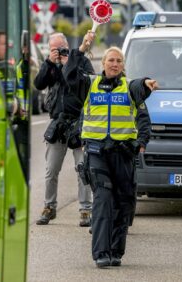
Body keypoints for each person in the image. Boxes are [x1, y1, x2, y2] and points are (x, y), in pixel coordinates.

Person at [65, 31, 155, 268]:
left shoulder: (129, 87)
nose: (114, 64)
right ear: (102, 63)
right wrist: (83, 47)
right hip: (96, 153)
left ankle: (116, 251)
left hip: (123, 154)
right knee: (103, 200)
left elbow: (143, 113)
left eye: (118, 61)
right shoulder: (90, 84)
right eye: (110, 60)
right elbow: (69, 74)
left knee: (123, 203)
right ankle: (101, 253)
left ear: (123, 65)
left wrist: (141, 142)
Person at [33, 32, 93, 226]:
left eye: (61, 48)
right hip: (58, 122)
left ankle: (85, 209)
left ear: (68, 45)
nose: (59, 52)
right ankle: (49, 207)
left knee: (82, 168)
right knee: (51, 170)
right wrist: (49, 63)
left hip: (78, 122)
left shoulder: (80, 61)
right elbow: (38, 84)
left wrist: (69, 63)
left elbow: (86, 82)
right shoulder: (51, 65)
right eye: (54, 49)